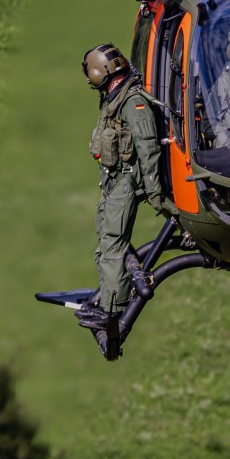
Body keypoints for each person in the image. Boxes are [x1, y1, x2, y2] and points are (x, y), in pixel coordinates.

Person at [77, 43, 168, 332]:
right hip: (117, 180)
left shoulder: (133, 102)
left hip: (129, 180)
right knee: (106, 240)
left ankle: (113, 313)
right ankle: (108, 298)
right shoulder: (115, 98)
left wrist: (154, 193)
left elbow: (149, 149)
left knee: (113, 244)